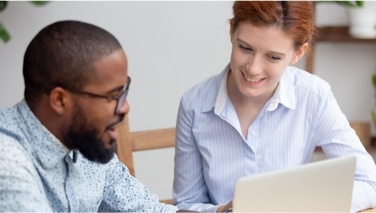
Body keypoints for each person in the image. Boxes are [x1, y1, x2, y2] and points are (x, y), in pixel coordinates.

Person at [173, 1, 376, 212]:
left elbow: (370, 183)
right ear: (232, 30)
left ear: (298, 53)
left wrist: (301, 206)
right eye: (245, 48)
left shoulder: (313, 96)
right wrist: (224, 210)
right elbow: (186, 204)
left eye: (273, 57)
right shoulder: (194, 105)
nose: (253, 68)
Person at [0, 20, 178, 212]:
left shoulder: (86, 141)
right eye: (113, 96)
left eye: (124, 92)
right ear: (60, 100)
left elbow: (149, 210)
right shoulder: (7, 160)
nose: (125, 107)